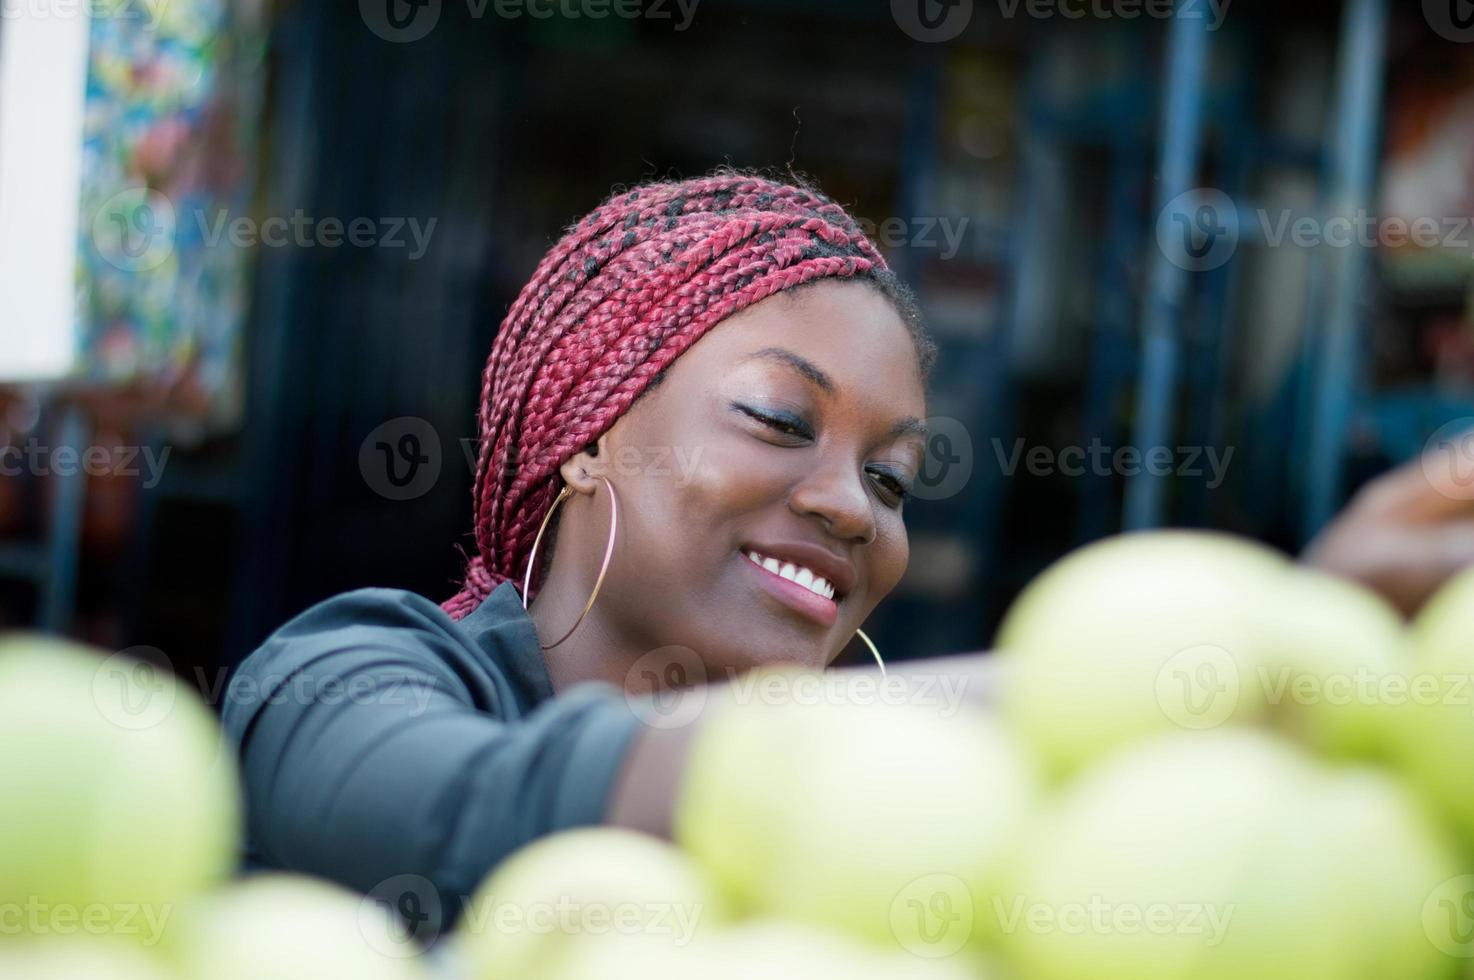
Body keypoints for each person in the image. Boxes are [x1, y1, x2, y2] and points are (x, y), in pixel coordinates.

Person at [220, 169, 1474, 931]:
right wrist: (1258, 651)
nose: (852, 508)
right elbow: (466, 813)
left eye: (892, 476)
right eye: (779, 417)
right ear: (587, 433)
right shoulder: (342, 674)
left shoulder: (921, 818)